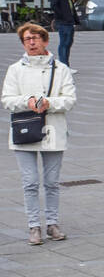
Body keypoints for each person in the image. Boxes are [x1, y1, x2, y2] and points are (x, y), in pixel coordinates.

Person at [4, 23, 75, 245]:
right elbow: (6, 99)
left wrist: (48, 103)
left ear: (45, 41)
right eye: (27, 39)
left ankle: (52, 223)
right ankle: (34, 226)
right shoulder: (15, 69)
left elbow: (70, 99)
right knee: (30, 182)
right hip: (24, 130)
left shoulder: (60, 68)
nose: (32, 43)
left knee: (52, 182)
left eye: (35, 38)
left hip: (53, 129)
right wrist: (28, 101)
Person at [48, 0, 76, 71]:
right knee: (64, 43)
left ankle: (65, 65)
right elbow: (54, 6)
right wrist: (61, 17)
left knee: (68, 43)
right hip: (63, 22)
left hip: (68, 21)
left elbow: (69, 5)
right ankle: (64, 66)